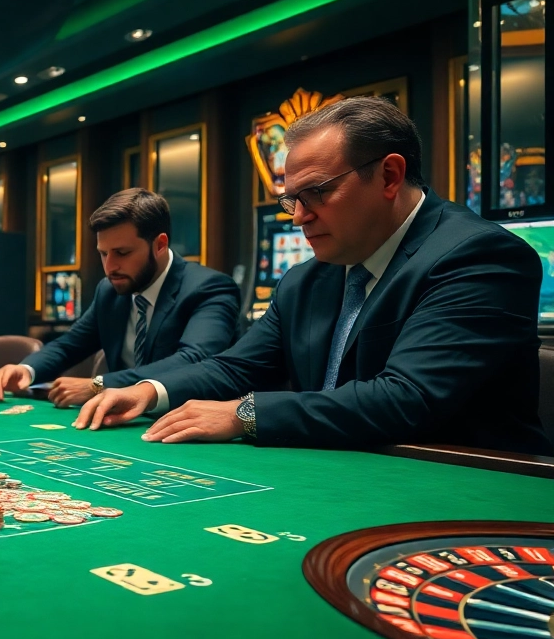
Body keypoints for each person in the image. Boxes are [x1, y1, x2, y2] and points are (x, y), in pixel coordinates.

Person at [75, 96, 551, 455]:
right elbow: (236, 366)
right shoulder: (307, 279)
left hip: (464, 489)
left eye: (316, 193)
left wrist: (245, 414)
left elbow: (407, 398)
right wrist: (146, 391)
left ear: (388, 176)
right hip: (339, 472)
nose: (299, 215)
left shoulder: (478, 256)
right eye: (291, 199)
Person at [0, 188, 239, 408]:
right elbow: (69, 346)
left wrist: (99, 384)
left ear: (160, 244)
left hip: (191, 425)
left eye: (122, 252)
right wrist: (26, 369)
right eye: (103, 253)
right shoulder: (109, 291)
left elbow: (195, 360)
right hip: (126, 422)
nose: (110, 266)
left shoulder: (209, 288)